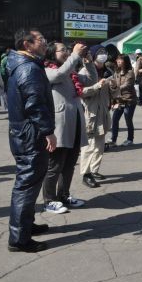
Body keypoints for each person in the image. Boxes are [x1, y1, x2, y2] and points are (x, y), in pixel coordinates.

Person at [6, 28, 56, 252]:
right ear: (27, 44)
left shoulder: (23, 64)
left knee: (30, 181)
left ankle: (26, 226)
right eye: (41, 40)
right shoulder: (28, 68)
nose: (45, 43)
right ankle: (19, 239)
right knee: (26, 184)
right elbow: (34, 104)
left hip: (24, 133)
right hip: (30, 135)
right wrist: (48, 131)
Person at [41, 41, 89, 214]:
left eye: (68, 50)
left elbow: (90, 79)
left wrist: (88, 62)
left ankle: (64, 195)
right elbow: (57, 76)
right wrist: (75, 56)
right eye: (63, 50)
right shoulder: (48, 70)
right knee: (55, 165)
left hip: (75, 122)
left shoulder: (70, 70)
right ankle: (48, 200)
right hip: (59, 126)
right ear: (52, 53)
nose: (67, 52)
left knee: (69, 164)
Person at [78, 45, 112, 188]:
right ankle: (86, 174)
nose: (103, 55)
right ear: (92, 55)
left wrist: (115, 86)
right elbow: (82, 92)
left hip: (104, 112)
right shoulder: (84, 71)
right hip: (90, 113)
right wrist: (97, 86)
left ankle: (94, 170)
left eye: (104, 52)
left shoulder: (108, 71)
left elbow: (114, 94)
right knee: (89, 146)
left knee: (100, 146)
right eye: (99, 53)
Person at [109, 54, 137, 146]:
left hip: (129, 100)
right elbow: (114, 83)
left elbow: (128, 85)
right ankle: (113, 140)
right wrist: (111, 86)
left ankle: (130, 139)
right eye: (117, 59)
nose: (118, 61)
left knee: (128, 120)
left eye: (120, 60)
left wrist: (116, 89)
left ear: (125, 61)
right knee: (115, 119)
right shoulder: (116, 72)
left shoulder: (130, 72)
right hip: (119, 100)